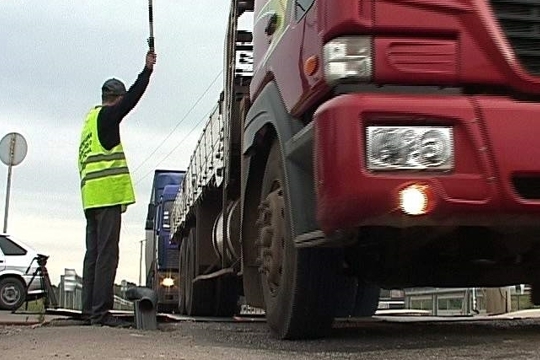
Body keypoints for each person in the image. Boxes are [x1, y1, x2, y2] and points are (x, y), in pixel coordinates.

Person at [78, 50, 156, 327]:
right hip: (107, 196)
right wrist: (146, 71)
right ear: (116, 99)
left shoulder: (89, 121)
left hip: (90, 199)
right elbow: (132, 100)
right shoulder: (108, 117)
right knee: (107, 255)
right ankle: (100, 313)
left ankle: (89, 311)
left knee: (94, 255)